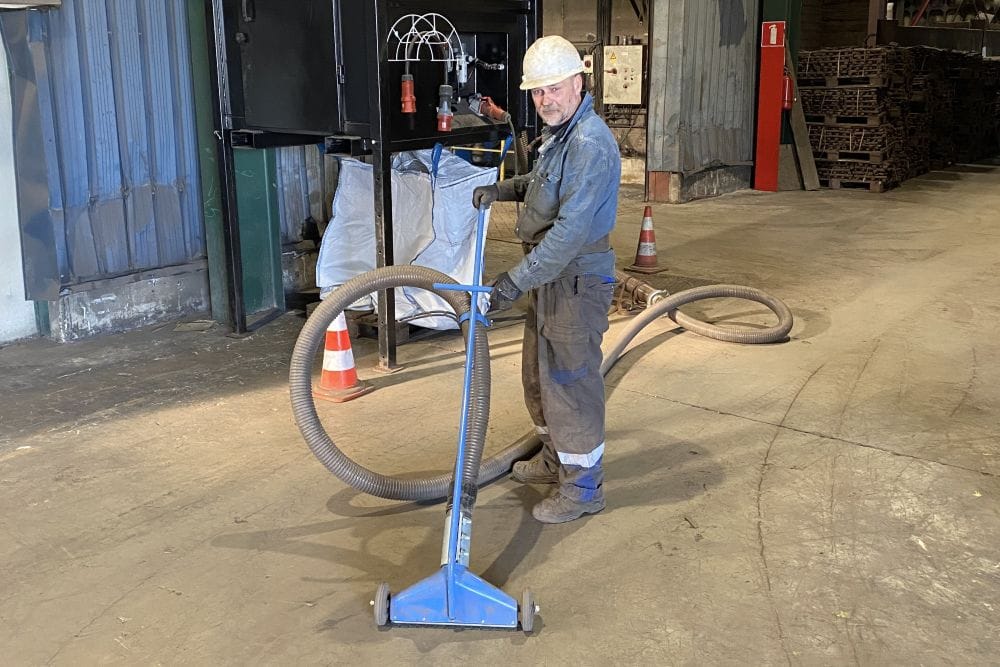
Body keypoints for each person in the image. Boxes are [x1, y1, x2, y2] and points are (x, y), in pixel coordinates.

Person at [471, 35, 621, 524]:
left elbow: (569, 233)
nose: (545, 100)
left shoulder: (590, 143)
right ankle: (557, 460)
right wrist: (503, 189)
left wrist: (511, 283)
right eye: (537, 92)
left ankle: (583, 490)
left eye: (554, 88)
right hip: (549, 277)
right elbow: (542, 187)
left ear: (578, 82)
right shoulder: (559, 137)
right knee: (539, 375)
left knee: (570, 383)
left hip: (574, 278)